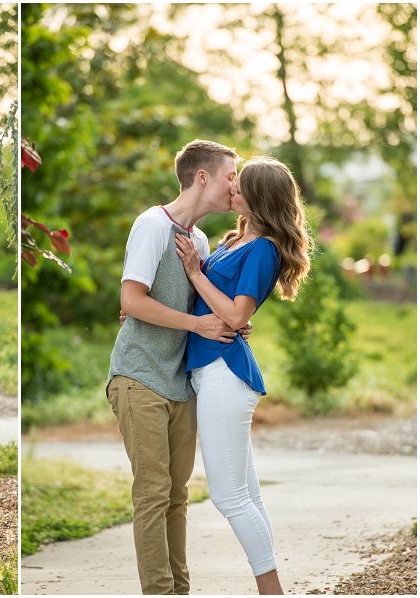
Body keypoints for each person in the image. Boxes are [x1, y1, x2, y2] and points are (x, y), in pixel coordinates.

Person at [107, 139, 246, 594]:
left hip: (179, 382)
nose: (236, 185)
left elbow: (205, 305)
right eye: (231, 174)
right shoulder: (151, 225)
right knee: (152, 492)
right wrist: (198, 325)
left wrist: (228, 325)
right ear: (202, 177)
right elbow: (131, 300)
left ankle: (179, 590)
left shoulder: (201, 240)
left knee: (177, 497)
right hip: (138, 375)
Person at [174, 157, 311, 594]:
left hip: (223, 374)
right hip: (211, 371)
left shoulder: (264, 248)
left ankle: (271, 591)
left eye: (240, 182)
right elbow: (225, 307)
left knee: (229, 496)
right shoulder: (236, 239)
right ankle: (271, 589)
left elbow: (235, 313)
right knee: (246, 495)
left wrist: (196, 272)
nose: (231, 185)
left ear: (258, 198)